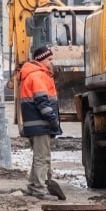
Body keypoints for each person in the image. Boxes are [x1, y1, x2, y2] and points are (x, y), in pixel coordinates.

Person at [18, 45, 65, 200]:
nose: (51, 62)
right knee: (42, 157)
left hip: (34, 124)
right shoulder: (37, 76)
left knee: (39, 156)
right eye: (49, 59)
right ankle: (39, 189)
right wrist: (53, 121)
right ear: (40, 60)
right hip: (41, 124)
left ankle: (33, 186)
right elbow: (42, 102)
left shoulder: (31, 75)